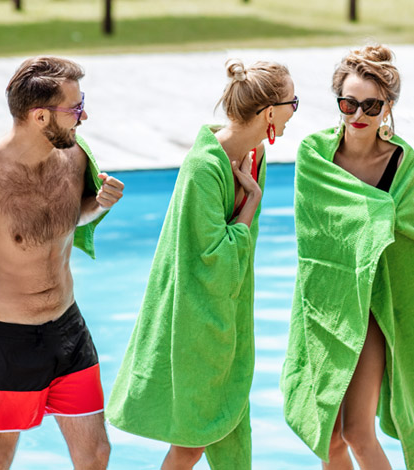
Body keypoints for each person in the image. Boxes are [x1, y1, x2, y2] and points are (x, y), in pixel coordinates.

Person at [0, 55, 125, 470]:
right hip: (5, 340)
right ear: (40, 116)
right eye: (75, 108)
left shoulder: (74, 158)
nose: (84, 116)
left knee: (96, 454)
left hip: (68, 329)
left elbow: (68, 220)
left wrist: (99, 204)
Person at [106, 58, 297, 470]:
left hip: (228, 316)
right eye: (292, 104)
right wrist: (251, 202)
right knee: (192, 443)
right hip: (195, 322)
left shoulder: (255, 154)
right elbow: (214, 258)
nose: (293, 113)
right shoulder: (203, 169)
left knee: (230, 434)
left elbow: (234, 252)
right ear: (269, 112)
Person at [281, 44, 414, 470]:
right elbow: (313, 232)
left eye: (371, 105)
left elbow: (409, 236)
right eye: (348, 103)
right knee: (327, 438)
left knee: (358, 433)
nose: (358, 115)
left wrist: (373, 219)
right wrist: (373, 217)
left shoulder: (401, 160)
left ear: (388, 107)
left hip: (373, 305)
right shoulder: (315, 155)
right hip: (326, 303)